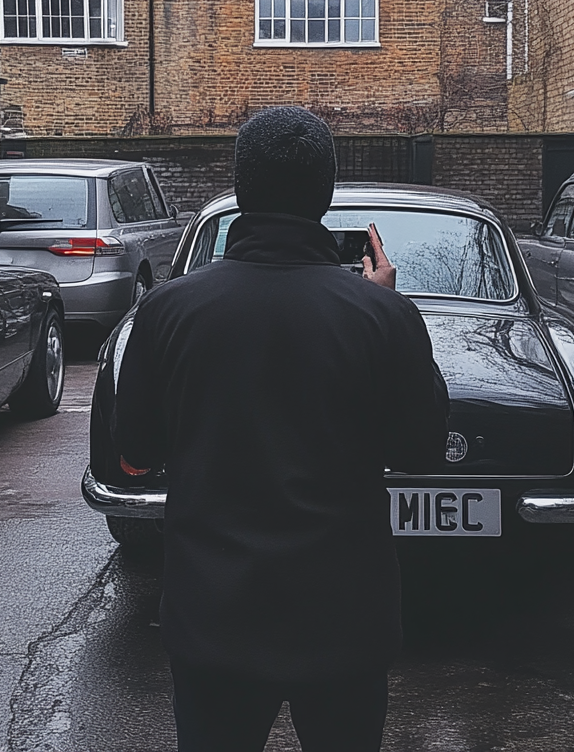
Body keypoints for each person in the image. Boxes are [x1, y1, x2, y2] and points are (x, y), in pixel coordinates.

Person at [112, 106, 449, 752]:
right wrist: (386, 302)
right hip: (344, 625)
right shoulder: (384, 316)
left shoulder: (166, 312)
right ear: (326, 193)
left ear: (241, 188)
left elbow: (137, 451)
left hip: (214, 623)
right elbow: (420, 449)